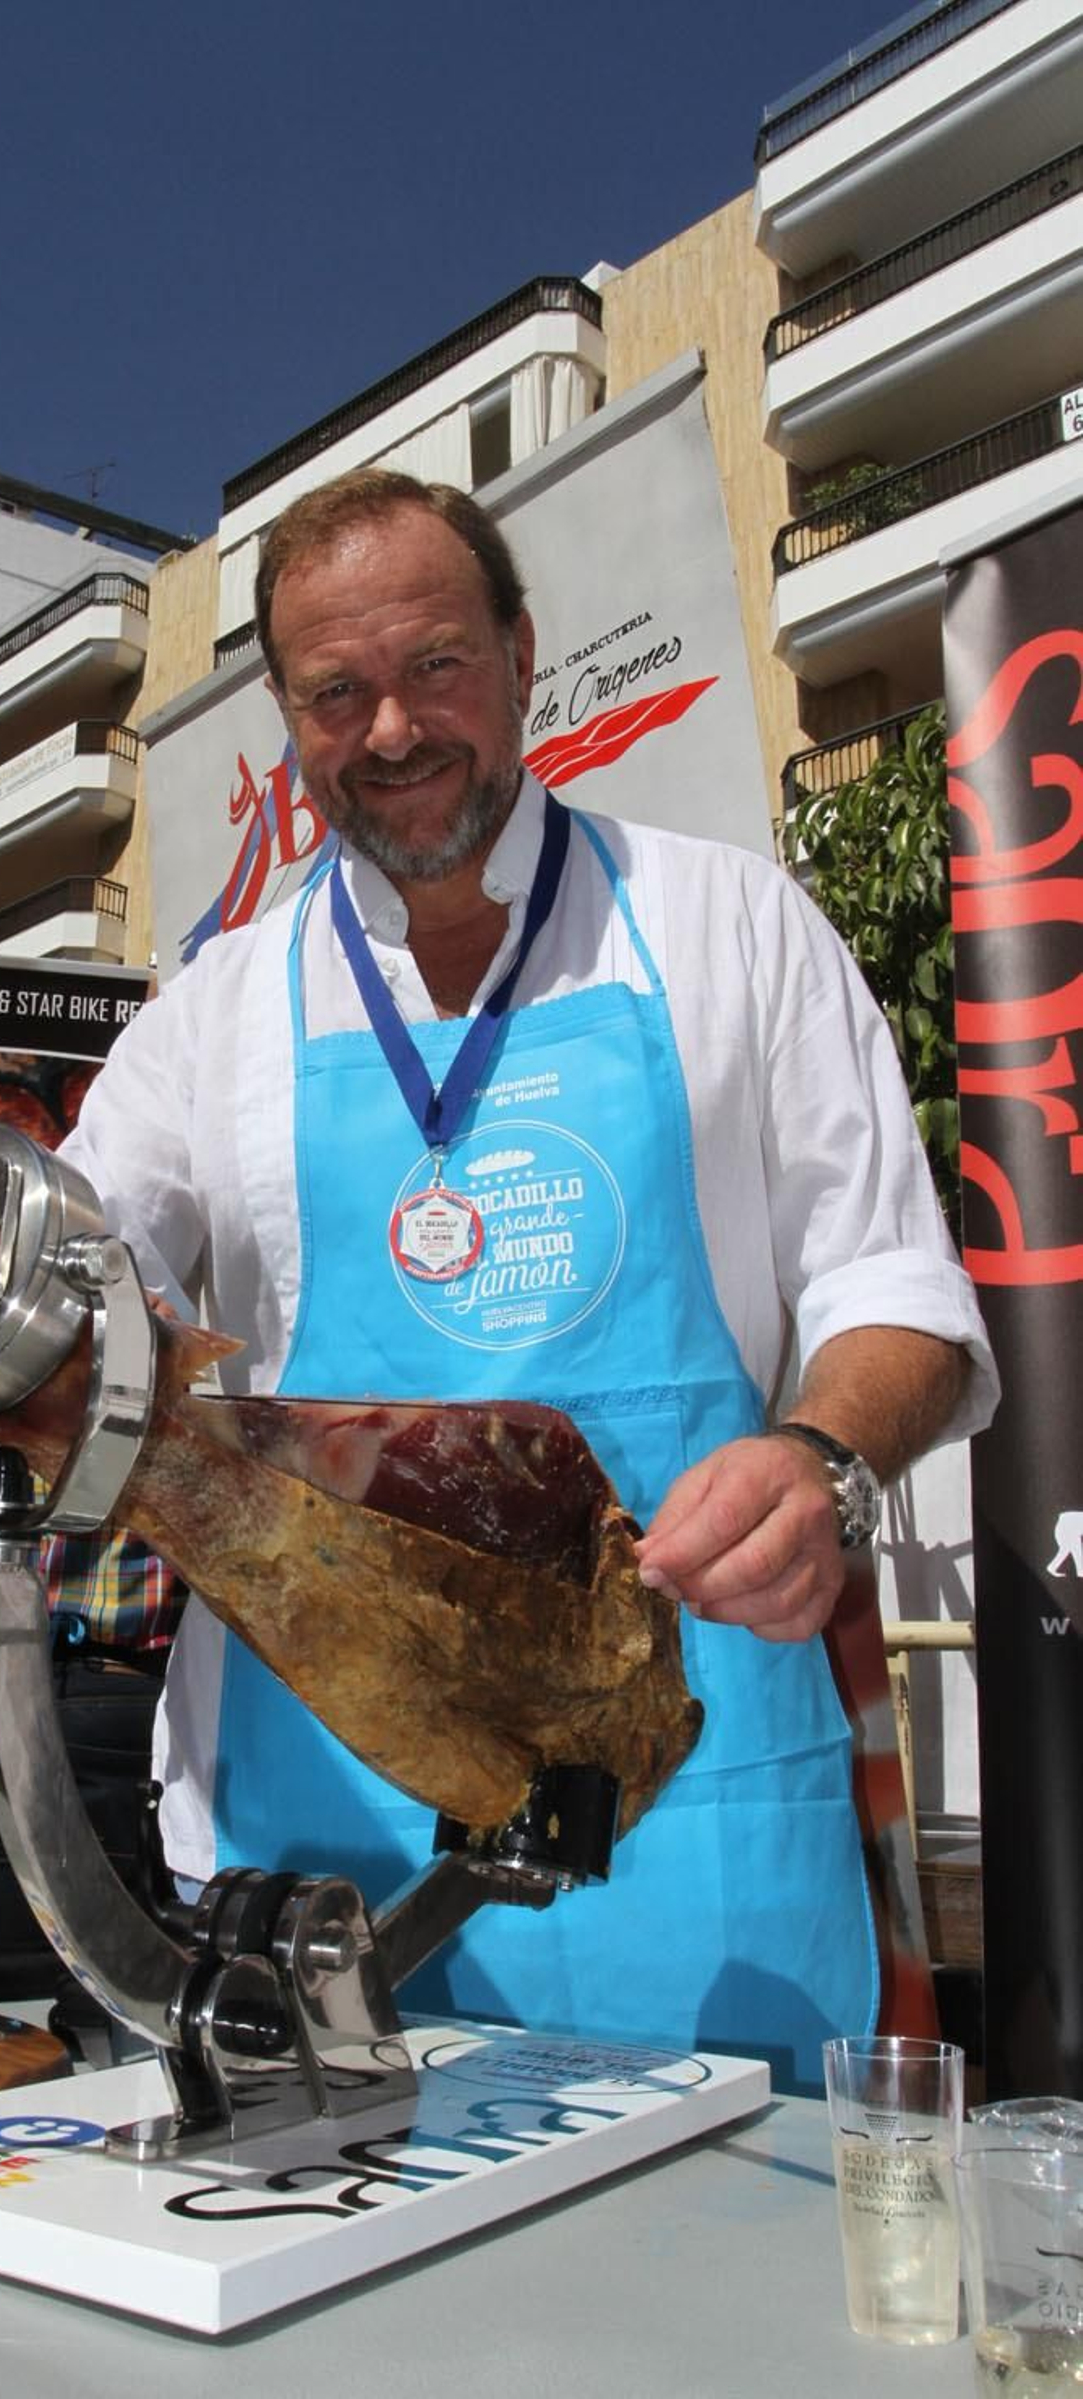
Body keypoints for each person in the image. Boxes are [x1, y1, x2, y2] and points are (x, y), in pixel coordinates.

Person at [60, 467, 997, 2089]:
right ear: (291, 717)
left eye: (436, 666)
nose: (395, 730)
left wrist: (825, 1458)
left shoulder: (732, 928)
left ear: (521, 655)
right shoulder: (211, 1016)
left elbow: (895, 1291)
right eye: (337, 693)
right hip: (331, 1838)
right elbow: (71, 1277)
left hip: (703, 1819)